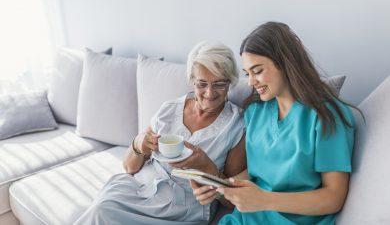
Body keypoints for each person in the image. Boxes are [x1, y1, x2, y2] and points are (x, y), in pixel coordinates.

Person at [191, 22, 358, 225]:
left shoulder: (326, 115)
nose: (251, 82)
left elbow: (333, 197)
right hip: (246, 219)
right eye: (247, 73)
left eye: (257, 71)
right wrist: (220, 188)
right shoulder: (255, 112)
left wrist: (264, 200)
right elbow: (254, 173)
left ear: (285, 63)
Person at [73, 41, 247, 225]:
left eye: (219, 84)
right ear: (192, 80)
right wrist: (139, 144)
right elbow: (129, 168)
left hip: (180, 207)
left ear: (230, 82)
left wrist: (206, 167)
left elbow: (230, 201)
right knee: (103, 207)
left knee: (105, 213)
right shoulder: (169, 109)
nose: (209, 93)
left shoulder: (236, 125)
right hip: (139, 187)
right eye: (202, 84)